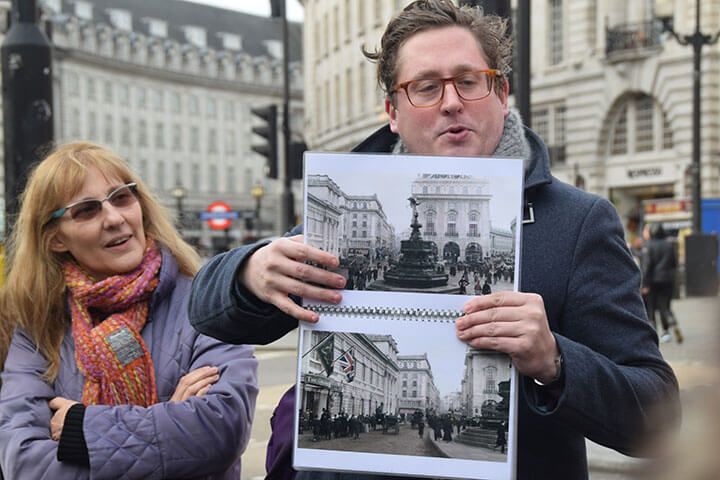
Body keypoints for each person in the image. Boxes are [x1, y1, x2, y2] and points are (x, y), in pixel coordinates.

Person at [188, 1, 679, 478]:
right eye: (424, 87)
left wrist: (554, 360)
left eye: (469, 82)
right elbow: (206, 310)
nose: (450, 102)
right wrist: (250, 271)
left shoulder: (578, 222)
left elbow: (656, 416)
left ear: (500, 94)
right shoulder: (351, 193)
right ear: (393, 111)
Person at [0, 142, 258, 479]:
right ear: (55, 238)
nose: (114, 218)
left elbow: (220, 429)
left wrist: (81, 427)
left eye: (121, 197)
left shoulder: (206, 301)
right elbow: (25, 463)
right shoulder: (38, 324)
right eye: (87, 210)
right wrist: (169, 423)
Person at [642, 224, 683, 344]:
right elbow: (674, 264)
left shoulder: (649, 245)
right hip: (668, 280)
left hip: (653, 281)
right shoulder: (669, 245)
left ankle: (653, 334)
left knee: (651, 308)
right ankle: (669, 328)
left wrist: (644, 284)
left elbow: (647, 266)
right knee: (665, 306)